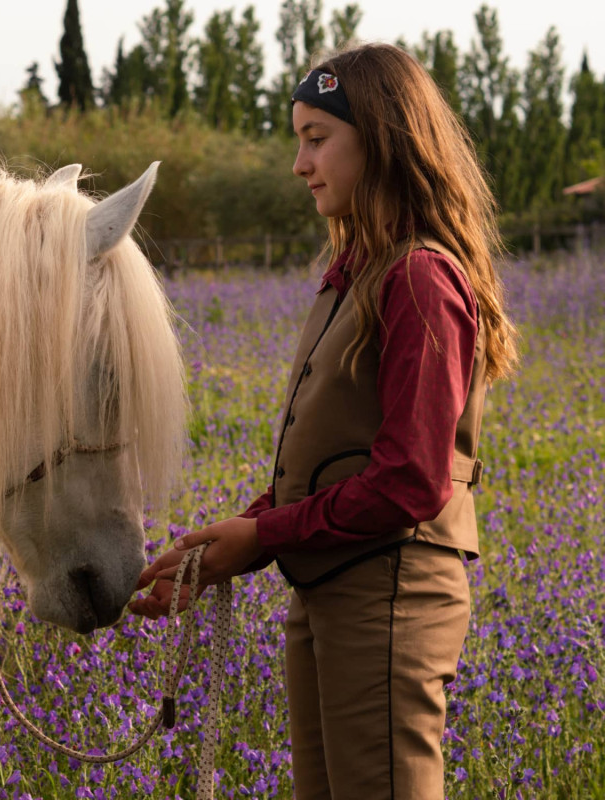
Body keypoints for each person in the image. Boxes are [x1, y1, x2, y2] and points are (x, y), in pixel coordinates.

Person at [129, 42, 518, 800]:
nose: (299, 164)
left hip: (390, 596)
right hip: (334, 590)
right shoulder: (357, 275)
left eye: (317, 138)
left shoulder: (419, 277)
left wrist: (263, 536)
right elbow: (339, 459)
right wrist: (233, 542)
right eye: (298, 140)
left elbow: (409, 482)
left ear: (382, 141)